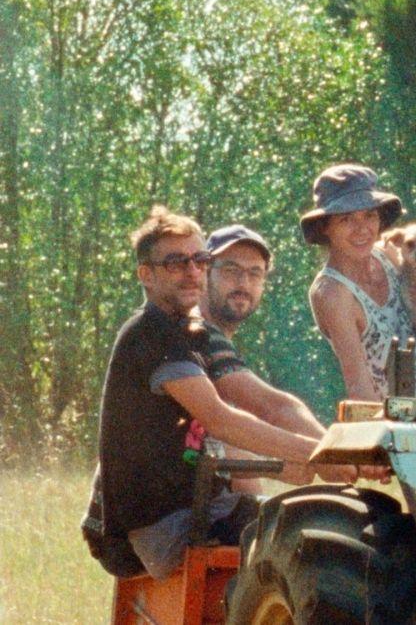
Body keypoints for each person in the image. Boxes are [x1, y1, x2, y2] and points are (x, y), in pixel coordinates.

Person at [85, 207, 354, 580]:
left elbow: (272, 405)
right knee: (316, 543)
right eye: (176, 263)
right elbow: (221, 420)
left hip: (201, 508)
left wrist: (337, 454)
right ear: (146, 275)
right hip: (170, 525)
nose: (192, 272)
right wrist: (321, 454)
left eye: (199, 260)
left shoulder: (186, 333)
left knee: (320, 525)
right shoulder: (151, 335)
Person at [198, 224, 331, 494]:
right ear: (204, 273)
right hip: (166, 518)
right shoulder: (197, 333)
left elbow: (229, 442)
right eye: (231, 271)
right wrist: (335, 452)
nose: (243, 283)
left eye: (254, 273)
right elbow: (273, 408)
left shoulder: (213, 336)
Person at [305, 163, 416, 401]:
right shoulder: (332, 292)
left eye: (370, 215)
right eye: (346, 219)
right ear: (325, 226)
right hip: (406, 420)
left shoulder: (390, 255)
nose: (362, 229)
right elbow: (359, 386)